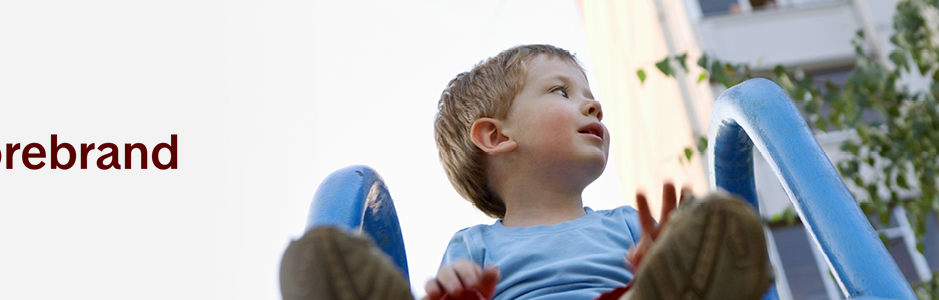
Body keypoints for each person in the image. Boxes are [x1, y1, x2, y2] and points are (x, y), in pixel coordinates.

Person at [281, 44, 773, 300]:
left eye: (589, 95)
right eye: (562, 92)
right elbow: (458, 284)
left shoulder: (623, 222)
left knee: (687, 253)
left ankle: (685, 281)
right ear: (496, 137)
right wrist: (454, 284)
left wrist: (658, 256)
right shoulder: (474, 245)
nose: (593, 105)